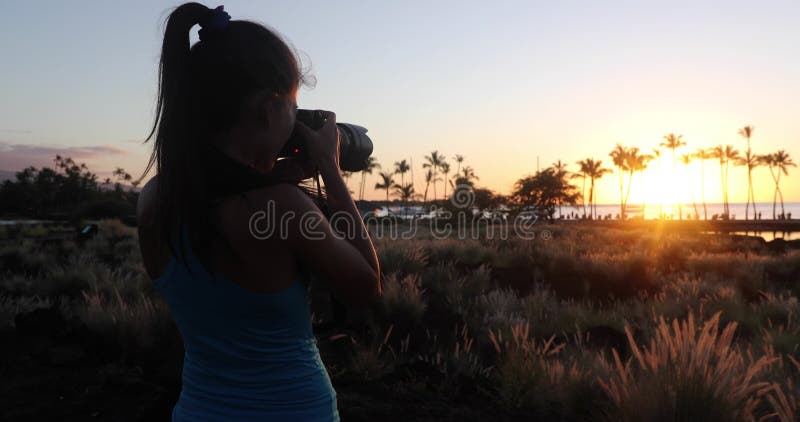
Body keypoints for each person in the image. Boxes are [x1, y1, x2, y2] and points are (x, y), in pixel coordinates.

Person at [134, 3, 381, 421]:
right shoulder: (282, 207)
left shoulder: (154, 199)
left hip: (199, 410)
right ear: (268, 109)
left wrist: (271, 173)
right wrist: (331, 173)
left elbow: (220, 203)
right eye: (293, 104)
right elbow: (365, 287)